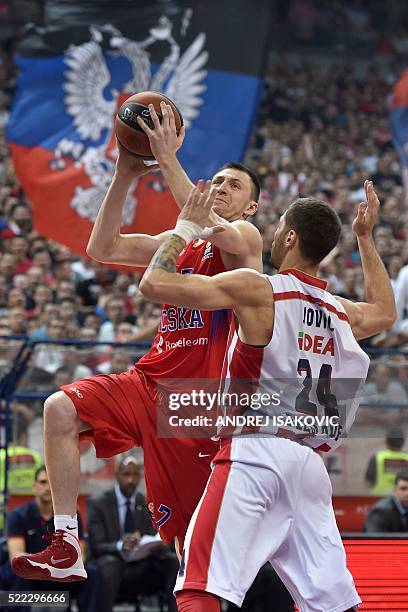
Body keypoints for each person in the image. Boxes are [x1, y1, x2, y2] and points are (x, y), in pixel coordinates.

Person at [12, 102, 263, 581]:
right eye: (219, 180)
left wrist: (165, 154)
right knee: (58, 409)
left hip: (197, 401)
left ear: (251, 206)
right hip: (149, 381)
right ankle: (66, 543)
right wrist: (127, 171)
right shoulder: (183, 239)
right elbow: (102, 248)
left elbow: (212, 226)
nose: (221, 188)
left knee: (194, 551)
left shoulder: (245, 240)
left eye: (234, 186)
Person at [139, 179, 396, 612]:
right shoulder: (339, 308)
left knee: (200, 585)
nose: (273, 236)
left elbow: (153, 284)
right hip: (311, 466)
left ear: (290, 237)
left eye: (278, 229)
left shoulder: (260, 288)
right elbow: (386, 312)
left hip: (255, 450)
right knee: (334, 603)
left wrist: (184, 227)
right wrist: (366, 238)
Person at [87, 455, 179, 612]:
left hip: (142, 564)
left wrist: (156, 544)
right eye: (126, 474)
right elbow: (97, 545)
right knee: (109, 566)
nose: (131, 480)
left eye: (135, 475)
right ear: (117, 475)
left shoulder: (146, 502)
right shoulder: (99, 503)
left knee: (172, 561)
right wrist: (120, 545)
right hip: (115, 563)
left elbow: (154, 535)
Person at [6, 466, 98, 611]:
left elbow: (81, 554)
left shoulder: (71, 516)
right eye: (43, 482)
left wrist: (58, 569)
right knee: (19, 572)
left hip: (61, 573)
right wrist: (44, 566)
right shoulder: (18, 516)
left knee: (91, 573)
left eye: (51, 482)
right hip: (34, 575)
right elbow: (16, 555)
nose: (48, 487)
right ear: (34, 486)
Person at [365, 426, 408, 495]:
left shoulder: (376, 458)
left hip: (378, 499)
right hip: (403, 500)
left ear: (386, 441)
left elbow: (368, 480)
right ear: (403, 441)